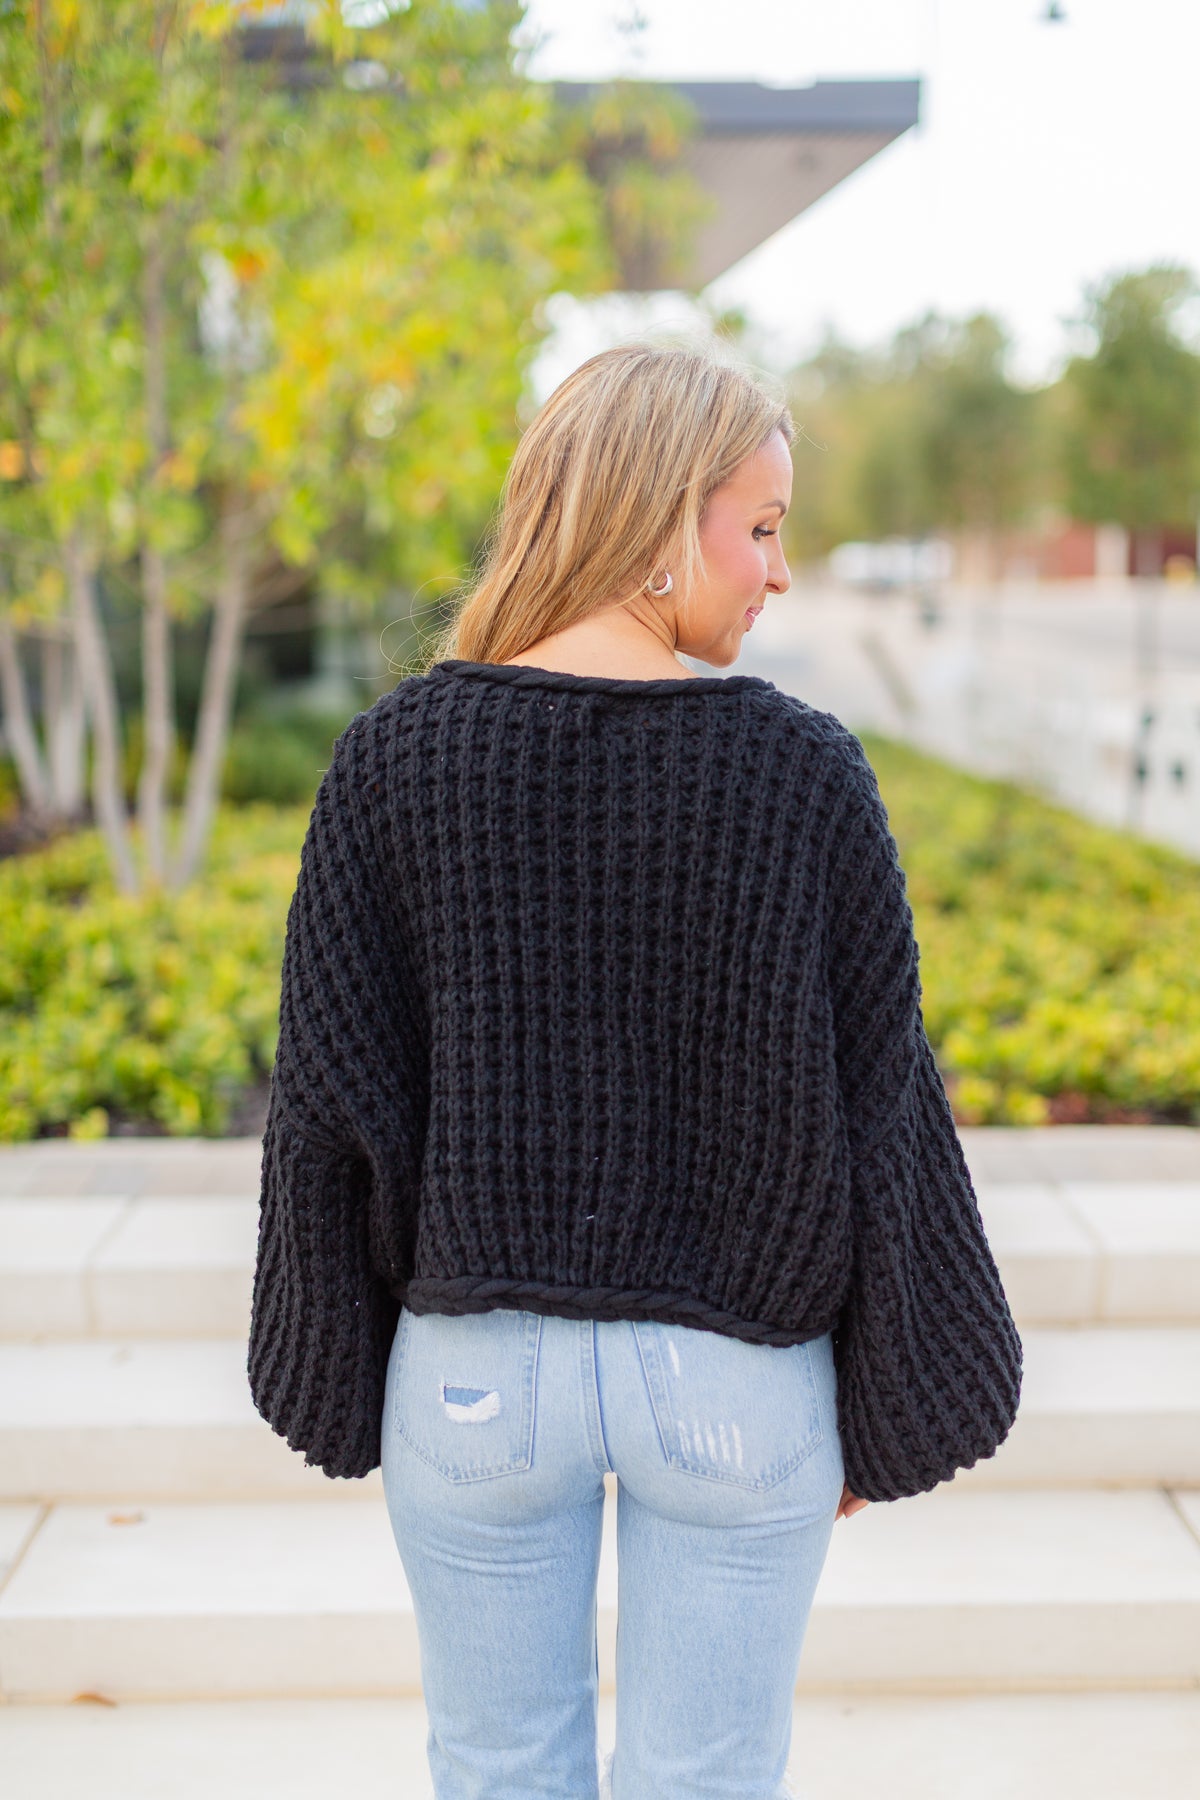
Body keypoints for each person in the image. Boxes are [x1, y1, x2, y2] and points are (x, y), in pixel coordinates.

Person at [248, 341, 1023, 1800]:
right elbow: (884, 1109)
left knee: (496, 1772)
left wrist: (343, 1371)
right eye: (764, 528)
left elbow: (335, 1100)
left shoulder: (393, 759)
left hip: (475, 1379)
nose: (779, 573)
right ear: (666, 518)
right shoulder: (801, 771)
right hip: (736, 1373)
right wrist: (885, 1390)